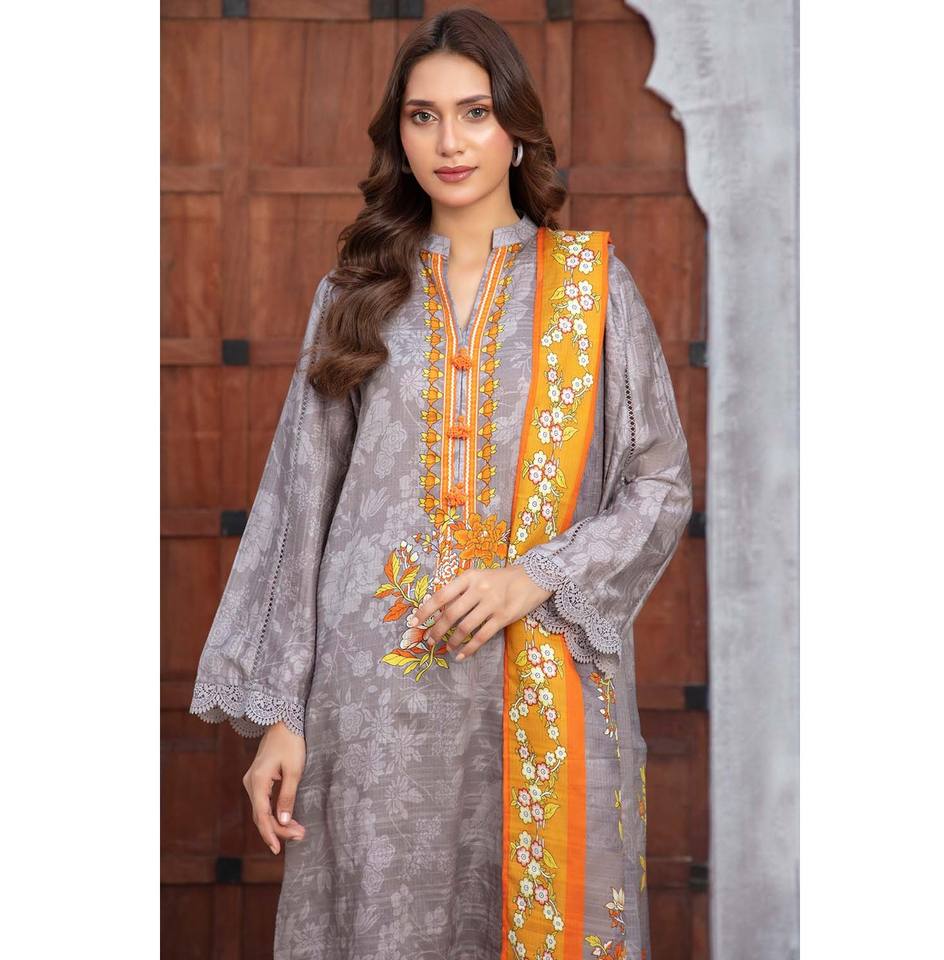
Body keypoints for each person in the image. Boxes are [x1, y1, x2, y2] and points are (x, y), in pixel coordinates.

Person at [188, 8, 692, 959]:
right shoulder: (355, 291)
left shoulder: (590, 291)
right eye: (424, 117)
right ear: (400, 135)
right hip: (370, 705)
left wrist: (533, 575)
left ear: (516, 129)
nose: (450, 142)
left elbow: (659, 485)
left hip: (536, 682)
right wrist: (283, 717)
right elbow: (300, 507)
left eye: (475, 113)